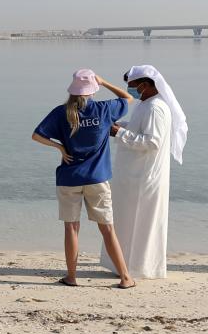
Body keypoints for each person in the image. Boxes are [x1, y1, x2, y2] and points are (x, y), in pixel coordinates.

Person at [32, 69, 135, 288]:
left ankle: (71, 276)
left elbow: (37, 135)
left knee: (71, 228)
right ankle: (125, 277)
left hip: (69, 178)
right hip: (97, 178)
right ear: (92, 90)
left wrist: (59, 146)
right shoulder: (104, 109)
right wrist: (104, 81)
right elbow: (128, 98)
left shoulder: (61, 113)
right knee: (107, 229)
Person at [100, 65, 187, 279]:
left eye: (132, 87)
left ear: (145, 85)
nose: (130, 90)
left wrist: (119, 133)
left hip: (144, 177)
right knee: (128, 221)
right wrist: (122, 126)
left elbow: (152, 142)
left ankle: (140, 268)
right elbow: (140, 128)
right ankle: (125, 264)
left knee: (142, 223)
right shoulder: (145, 104)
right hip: (134, 175)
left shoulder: (155, 107)